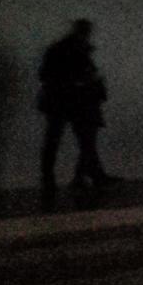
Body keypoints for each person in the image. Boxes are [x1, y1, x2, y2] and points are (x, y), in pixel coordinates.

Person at [37, 18, 112, 202]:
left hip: (60, 101)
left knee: (57, 141)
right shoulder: (78, 50)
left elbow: (44, 74)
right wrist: (81, 83)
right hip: (74, 102)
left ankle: (52, 179)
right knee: (84, 140)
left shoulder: (59, 49)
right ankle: (84, 176)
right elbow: (52, 74)